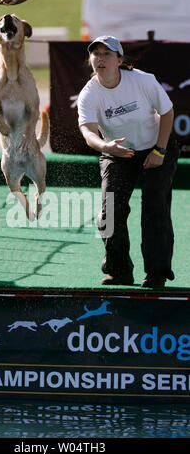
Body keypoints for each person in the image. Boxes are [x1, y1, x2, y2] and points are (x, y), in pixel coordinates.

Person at [77, 35, 180, 288]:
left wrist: (159, 151)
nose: (100, 59)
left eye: (107, 54)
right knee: (110, 212)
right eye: (96, 54)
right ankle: (119, 271)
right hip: (117, 152)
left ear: (120, 60)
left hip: (156, 146)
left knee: (155, 205)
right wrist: (106, 146)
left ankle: (157, 273)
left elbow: (167, 112)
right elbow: (88, 132)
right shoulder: (88, 93)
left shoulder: (143, 81)